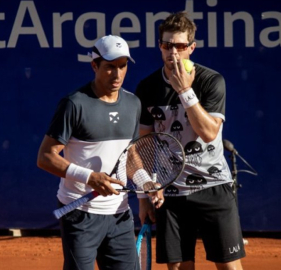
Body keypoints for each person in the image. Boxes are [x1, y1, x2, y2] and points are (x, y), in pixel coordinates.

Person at [135, 12, 246, 270]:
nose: (173, 52)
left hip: (214, 185)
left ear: (191, 48)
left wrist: (185, 91)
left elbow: (209, 133)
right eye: (166, 45)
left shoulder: (210, 81)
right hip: (171, 192)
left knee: (229, 267)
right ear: (159, 46)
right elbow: (144, 144)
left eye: (180, 46)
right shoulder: (147, 87)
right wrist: (143, 195)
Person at [37, 35, 143, 270]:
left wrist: (145, 182)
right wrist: (90, 177)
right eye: (110, 67)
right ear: (94, 65)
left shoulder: (133, 104)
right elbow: (45, 157)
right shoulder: (74, 104)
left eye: (122, 66)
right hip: (80, 213)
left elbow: (131, 153)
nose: (117, 75)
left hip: (120, 214)